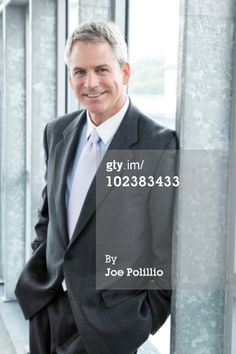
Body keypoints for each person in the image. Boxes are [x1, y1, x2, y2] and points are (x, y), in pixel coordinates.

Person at [15, 21, 178, 354]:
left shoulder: (158, 145)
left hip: (109, 328)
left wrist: (140, 322)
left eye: (102, 69)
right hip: (48, 309)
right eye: (79, 72)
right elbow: (49, 218)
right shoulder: (57, 132)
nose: (90, 83)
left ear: (125, 72)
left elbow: (166, 251)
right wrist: (40, 275)